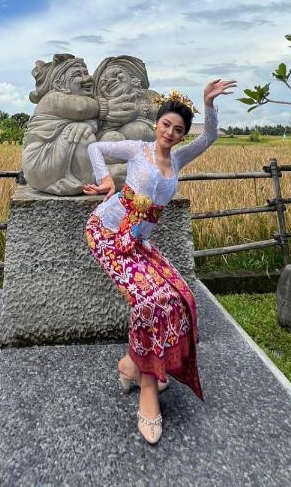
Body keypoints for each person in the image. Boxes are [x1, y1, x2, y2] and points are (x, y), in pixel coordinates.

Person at [83, 77, 236, 444]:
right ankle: (149, 388)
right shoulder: (138, 149)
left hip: (139, 244)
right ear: (157, 124)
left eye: (178, 129)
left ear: (182, 135)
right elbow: (96, 149)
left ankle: (132, 365)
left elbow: (210, 138)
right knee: (149, 301)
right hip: (108, 234)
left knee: (179, 296)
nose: (170, 132)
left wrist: (208, 105)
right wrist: (106, 182)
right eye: (166, 124)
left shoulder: (179, 158)